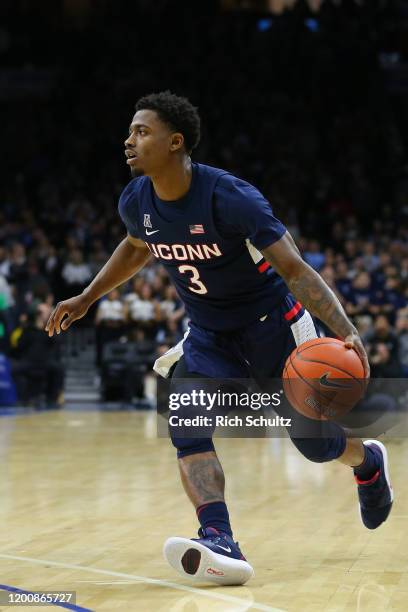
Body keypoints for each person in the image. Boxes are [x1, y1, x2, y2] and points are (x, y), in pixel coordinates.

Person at [45, 91, 393, 586]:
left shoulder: (231, 198)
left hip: (274, 324)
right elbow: (136, 247)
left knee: (313, 445)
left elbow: (294, 269)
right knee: (186, 423)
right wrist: (87, 297)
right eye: (129, 131)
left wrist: (347, 329)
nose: (129, 140)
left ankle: (368, 460)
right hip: (208, 331)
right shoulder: (136, 199)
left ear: (176, 142)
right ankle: (218, 537)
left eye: (142, 131)